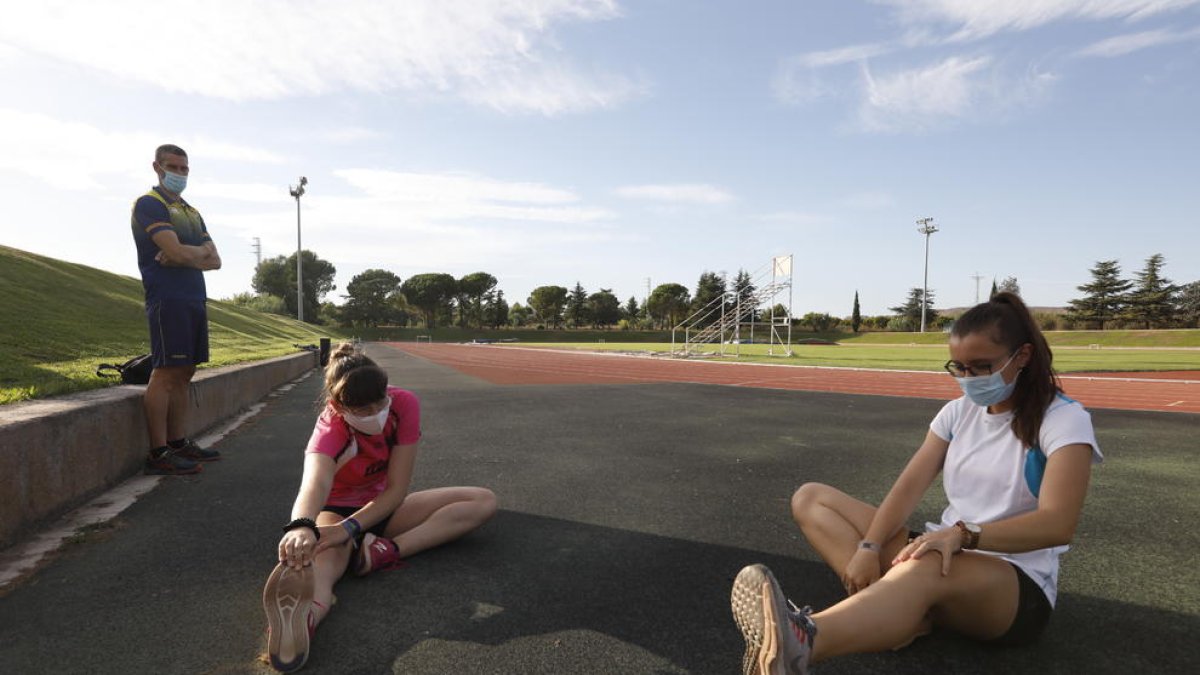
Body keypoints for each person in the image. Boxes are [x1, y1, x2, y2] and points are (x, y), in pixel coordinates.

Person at [731, 292, 1102, 674]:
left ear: (1021, 357)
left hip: (1014, 586)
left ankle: (803, 644)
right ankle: (902, 616)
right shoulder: (958, 413)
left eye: (981, 366)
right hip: (945, 549)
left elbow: (1058, 524)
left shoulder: (1062, 420)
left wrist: (962, 535)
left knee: (922, 562)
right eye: (958, 367)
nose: (969, 379)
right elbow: (908, 487)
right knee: (811, 499)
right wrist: (869, 546)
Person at [262, 343, 498, 673]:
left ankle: (385, 551)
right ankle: (306, 617)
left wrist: (352, 529)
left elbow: (397, 489)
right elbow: (313, 484)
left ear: (387, 389)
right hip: (334, 514)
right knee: (325, 569)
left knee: (482, 501)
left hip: (383, 507)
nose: (375, 411)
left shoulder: (404, 404)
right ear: (337, 406)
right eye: (362, 409)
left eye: (380, 401)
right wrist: (302, 525)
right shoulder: (329, 428)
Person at [130, 143, 222, 475]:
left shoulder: (191, 212)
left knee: (186, 372)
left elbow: (217, 260)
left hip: (194, 297)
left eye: (184, 169)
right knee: (166, 371)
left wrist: (187, 254)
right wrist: (193, 254)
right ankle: (158, 452)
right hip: (167, 298)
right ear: (157, 167)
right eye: (173, 167)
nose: (180, 174)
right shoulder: (149, 205)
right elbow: (184, 253)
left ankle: (179, 442)